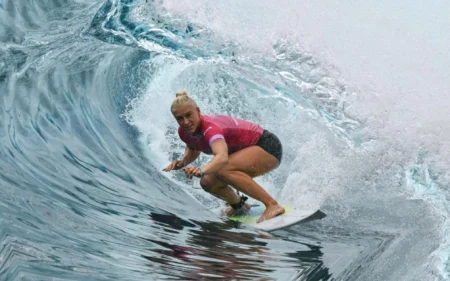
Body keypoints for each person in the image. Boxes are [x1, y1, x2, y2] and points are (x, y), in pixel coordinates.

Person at [162, 90, 285, 222]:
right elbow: (193, 149)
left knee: (222, 169)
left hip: (268, 147)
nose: (185, 122)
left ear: (198, 111)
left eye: (188, 115)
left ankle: (272, 205)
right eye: (180, 118)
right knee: (207, 182)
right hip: (250, 152)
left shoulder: (210, 128)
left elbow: (222, 157)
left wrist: (202, 170)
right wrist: (182, 162)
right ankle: (240, 206)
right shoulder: (184, 132)